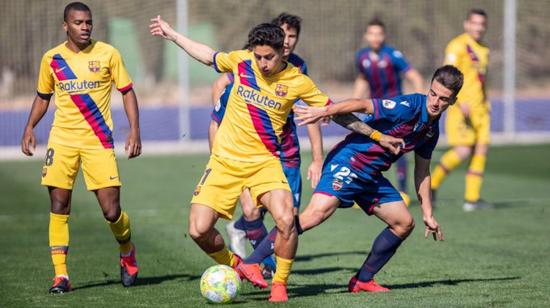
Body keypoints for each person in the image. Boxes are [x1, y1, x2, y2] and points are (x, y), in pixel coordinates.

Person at [150, 17, 332, 302]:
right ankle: (238, 265)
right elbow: (207, 54)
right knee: (197, 229)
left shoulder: (298, 81)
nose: (262, 63)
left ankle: (279, 284)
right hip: (224, 162)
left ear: (282, 51)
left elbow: (333, 108)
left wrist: (375, 134)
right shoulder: (241, 61)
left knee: (286, 219)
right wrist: (173, 35)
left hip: (264, 162)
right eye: (258, 56)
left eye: (268, 57)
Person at [238, 65, 463, 295]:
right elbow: (363, 104)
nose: (435, 102)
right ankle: (251, 262)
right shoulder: (408, 107)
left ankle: (363, 280)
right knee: (315, 214)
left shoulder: (431, 131)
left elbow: (422, 170)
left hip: (371, 176)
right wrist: (325, 111)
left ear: (452, 101)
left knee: (403, 223)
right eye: (433, 93)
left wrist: (427, 212)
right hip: (349, 160)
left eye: (443, 99)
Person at [21, 2, 141, 293]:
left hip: (98, 141)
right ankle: (61, 275)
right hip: (61, 141)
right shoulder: (52, 58)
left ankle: (126, 249)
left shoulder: (108, 53)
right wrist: (29, 127)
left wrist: (135, 130)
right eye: (78, 22)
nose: (85, 27)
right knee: (59, 206)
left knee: (111, 211)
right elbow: (42, 97)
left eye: (88, 22)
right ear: (66, 26)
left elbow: (127, 92)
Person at [209, 13, 323, 275]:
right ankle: (263, 266)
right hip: (253, 152)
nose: (288, 41)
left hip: (288, 151)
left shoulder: (298, 69)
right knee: (253, 209)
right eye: (284, 34)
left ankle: (245, 236)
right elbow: (220, 82)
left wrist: (317, 158)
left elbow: (310, 112)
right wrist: (223, 115)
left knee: (288, 218)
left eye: (293, 36)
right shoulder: (252, 61)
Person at [353, 18, 424, 204]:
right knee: (364, 145)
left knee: (398, 148)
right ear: (366, 36)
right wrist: (355, 103)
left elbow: (414, 76)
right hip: (375, 109)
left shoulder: (393, 55)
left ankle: (402, 191)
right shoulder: (362, 57)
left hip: (395, 111)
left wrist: (419, 103)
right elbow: (362, 79)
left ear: (384, 36)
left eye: (379, 33)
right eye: (372, 33)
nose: (375, 37)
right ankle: (360, 188)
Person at [430, 9, 492, 211]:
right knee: (463, 150)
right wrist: (461, 100)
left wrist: (487, 101)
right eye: (475, 23)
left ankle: (471, 199)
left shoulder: (484, 49)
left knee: (481, 149)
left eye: (482, 24)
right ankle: (432, 184)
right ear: (467, 24)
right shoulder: (457, 46)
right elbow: (447, 77)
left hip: (481, 109)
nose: (478, 27)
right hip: (461, 108)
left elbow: (482, 80)